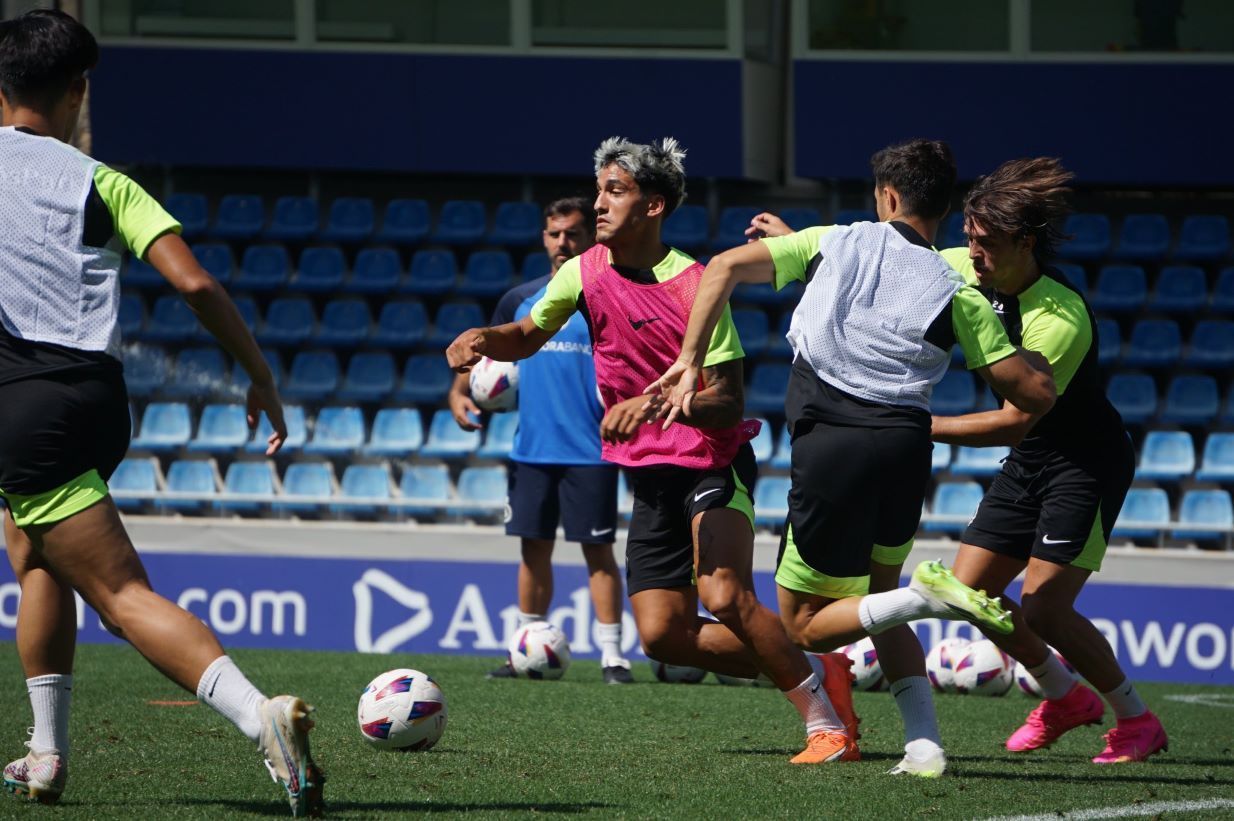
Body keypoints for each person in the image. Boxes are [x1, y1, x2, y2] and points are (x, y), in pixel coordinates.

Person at [449, 136, 863, 766]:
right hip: (650, 473)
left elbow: (727, 403)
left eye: (614, 192)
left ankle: (825, 727)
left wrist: (651, 404)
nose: (598, 205)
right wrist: (485, 338)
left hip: (711, 458)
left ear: (653, 205)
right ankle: (814, 667)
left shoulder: (697, 285)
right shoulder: (583, 272)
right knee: (663, 637)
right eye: (598, 191)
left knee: (723, 595)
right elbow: (526, 335)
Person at [650, 139, 1058, 776]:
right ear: (942, 208)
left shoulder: (835, 243)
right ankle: (924, 745)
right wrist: (1022, 347)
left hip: (832, 446)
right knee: (879, 596)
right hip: (906, 447)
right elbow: (1033, 395)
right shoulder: (957, 287)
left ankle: (928, 597)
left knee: (805, 625)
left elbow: (723, 268)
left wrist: (688, 360)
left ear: (887, 196)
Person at [0, 11, 321, 815]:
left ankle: (259, 716)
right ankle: (46, 751)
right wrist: (259, 375)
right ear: (78, 92)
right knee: (35, 552)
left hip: (24, 401)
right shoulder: (105, 182)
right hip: (99, 398)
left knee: (119, 593)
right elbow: (196, 284)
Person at [932, 158, 1167, 764]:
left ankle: (1137, 719)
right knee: (966, 591)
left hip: (1084, 462)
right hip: (1031, 458)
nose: (972, 252)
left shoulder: (1058, 315)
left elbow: (1015, 418)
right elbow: (891, 255)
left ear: (1025, 243)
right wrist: (804, 248)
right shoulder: (966, 266)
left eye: (986, 242)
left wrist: (918, 427)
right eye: (969, 237)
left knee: (1044, 608)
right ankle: (1064, 697)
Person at [447, 197, 632, 684]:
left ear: (590, 237)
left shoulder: (611, 296)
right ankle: (524, 649)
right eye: (554, 234)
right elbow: (484, 353)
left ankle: (613, 656)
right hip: (531, 450)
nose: (562, 242)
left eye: (572, 233)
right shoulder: (519, 300)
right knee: (533, 550)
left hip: (592, 451)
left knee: (598, 552)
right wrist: (459, 392)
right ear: (544, 238)